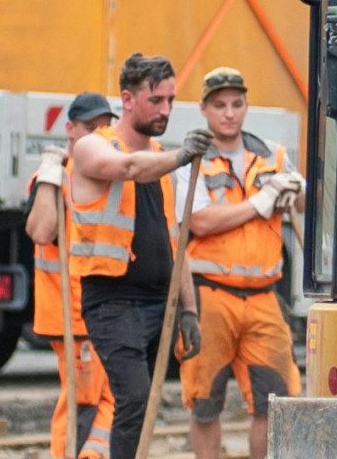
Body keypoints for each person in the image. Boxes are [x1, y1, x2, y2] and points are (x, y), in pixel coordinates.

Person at [67, 54, 213, 458]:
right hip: (112, 301)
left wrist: (189, 309)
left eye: (170, 100)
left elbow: (176, 236)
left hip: (156, 305)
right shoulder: (92, 146)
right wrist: (180, 157)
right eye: (156, 100)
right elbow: (129, 167)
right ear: (128, 100)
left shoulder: (162, 156)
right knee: (132, 398)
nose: (165, 110)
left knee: (146, 404)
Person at [177, 67, 304, 459]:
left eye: (236, 104)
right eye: (219, 106)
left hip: (264, 297)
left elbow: (301, 206)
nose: (229, 113)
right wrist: (258, 204)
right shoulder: (194, 161)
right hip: (211, 295)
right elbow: (198, 221)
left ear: (246, 106)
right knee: (205, 403)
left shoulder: (273, 156)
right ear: (204, 109)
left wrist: (294, 189)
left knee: (275, 400)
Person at [24, 92, 120, 459]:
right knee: (84, 404)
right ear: (70, 129)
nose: (98, 137)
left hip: (100, 312)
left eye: (104, 129)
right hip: (73, 314)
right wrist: (50, 174)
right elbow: (41, 231)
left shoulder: (103, 176)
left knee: (106, 398)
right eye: (90, 128)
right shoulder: (54, 179)